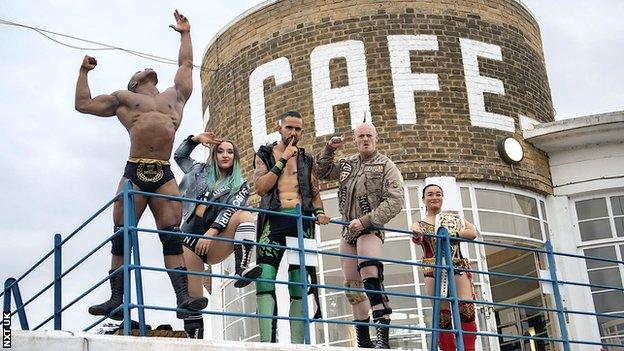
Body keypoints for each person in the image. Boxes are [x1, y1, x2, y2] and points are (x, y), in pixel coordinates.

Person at [74, 10, 206, 321]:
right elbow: (82, 104)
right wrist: (83, 72)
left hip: (163, 172)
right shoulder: (124, 98)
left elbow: (185, 65)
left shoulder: (175, 97)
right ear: (134, 83)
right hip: (134, 170)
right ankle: (116, 299)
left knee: (172, 235)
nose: (147, 70)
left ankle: (183, 298)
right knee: (121, 232)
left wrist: (185, 33)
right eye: (141, 71)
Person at [317, 122, 404, 349]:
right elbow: (323, 171)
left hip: (370, 228)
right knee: (353, 287)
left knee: (370, 275)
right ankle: (364, 341)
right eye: (361, 136)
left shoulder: (386, 165)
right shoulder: (348, 164)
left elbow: (395, 201)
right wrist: (329, 148)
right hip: (348, 231)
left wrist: (365, 220)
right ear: (355, 139)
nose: (365, 139)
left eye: (369, 135)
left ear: (376, 137)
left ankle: (382, 339)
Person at [174, 132, 263, 338]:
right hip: (188, 239)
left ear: (235, 157)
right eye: (221, 151)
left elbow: (231, 209)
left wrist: (211, 233)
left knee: (245, 215)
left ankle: (241, 269)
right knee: (193, 298)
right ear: (214, 154)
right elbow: (180, 157)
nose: (225, 155)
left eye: (230, 152)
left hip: (215, 240)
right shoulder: (198, 170)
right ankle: (195, 343)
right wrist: (195, 140)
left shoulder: (240, 184)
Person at [253, 111, 330, 343]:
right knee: (265, 280)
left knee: (299, 284)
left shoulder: (307, 159)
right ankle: (267, 343)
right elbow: (261, 187)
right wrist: (283, 159)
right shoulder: (265, 154)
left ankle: (298, 345)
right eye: (289, 128)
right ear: (279, 128)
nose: (293, 133)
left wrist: (320, 212)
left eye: (298, 129)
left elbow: (314, 191)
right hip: (274, 219)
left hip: (301, 221)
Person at [411, 184, 479, 351]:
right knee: (442, 316)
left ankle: (469, 349)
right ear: (423, 200)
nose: (435, 197)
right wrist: (416, 232)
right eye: (430, 195)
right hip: (432, 270)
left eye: (438, 194)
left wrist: (454, 234)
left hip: (457, 265)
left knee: (467, 309)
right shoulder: (419, 223)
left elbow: (473, 232)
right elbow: (417, 238)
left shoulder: (453, 218)